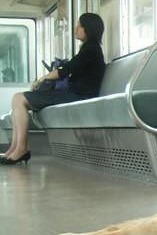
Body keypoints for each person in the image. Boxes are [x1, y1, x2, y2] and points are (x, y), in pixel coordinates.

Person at [1, 13, 105, 165]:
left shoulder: (91, 50)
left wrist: (43, 79)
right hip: (74, 93)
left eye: (79, 25)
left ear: (88, 29)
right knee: (18, 98)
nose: (76, 28)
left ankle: (21, 149)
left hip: (79, 96)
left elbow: (65, 70)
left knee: (19, 98)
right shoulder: (89, 49)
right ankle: (14, 149)